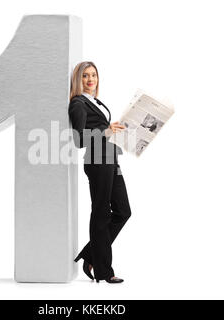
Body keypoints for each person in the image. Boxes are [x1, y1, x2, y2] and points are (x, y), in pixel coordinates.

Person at [68, 61, 132, 284]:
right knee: (102, 213)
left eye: (93, 75)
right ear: (78, 79)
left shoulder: (95, 102)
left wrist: (113, 131)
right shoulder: (78, 104)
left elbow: (99, 131)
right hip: (97, 163)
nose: (90, 80)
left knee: (123, 211)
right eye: (85, 76)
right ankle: (104, 271)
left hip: (110, 159)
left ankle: (90, 255)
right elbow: (78, 139)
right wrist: (105, 131)